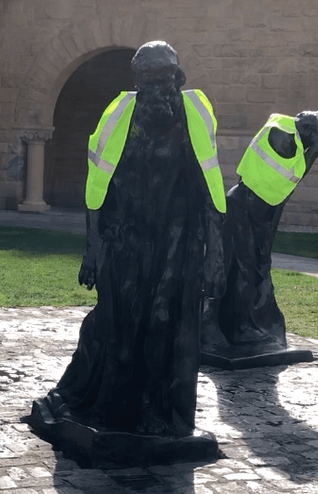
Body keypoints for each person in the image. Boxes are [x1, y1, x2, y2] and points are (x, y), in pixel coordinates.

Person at [32, 41, 225, 441]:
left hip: (178, 244)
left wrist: (215, 255)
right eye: (150, 79)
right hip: (126, 241)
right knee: (118, 325)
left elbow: (210, 187)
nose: (159, 87)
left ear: (177, 75)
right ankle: (114, 407)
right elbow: (97, 187)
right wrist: (92, 250)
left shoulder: (195, 114)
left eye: (166, 77)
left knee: (167, 326)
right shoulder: (118, 115)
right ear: (137, 80)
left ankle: (160, 416)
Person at [203, 111, 318, 359]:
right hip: (242, 208)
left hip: (257, 213)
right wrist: (314, 151)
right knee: (240, 270)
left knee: (253, 271)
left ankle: (245, 326)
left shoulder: (286, 131)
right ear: (309, 132)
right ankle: (233, 328)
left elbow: (280, 193)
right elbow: (288, 180)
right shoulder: (282, 135)